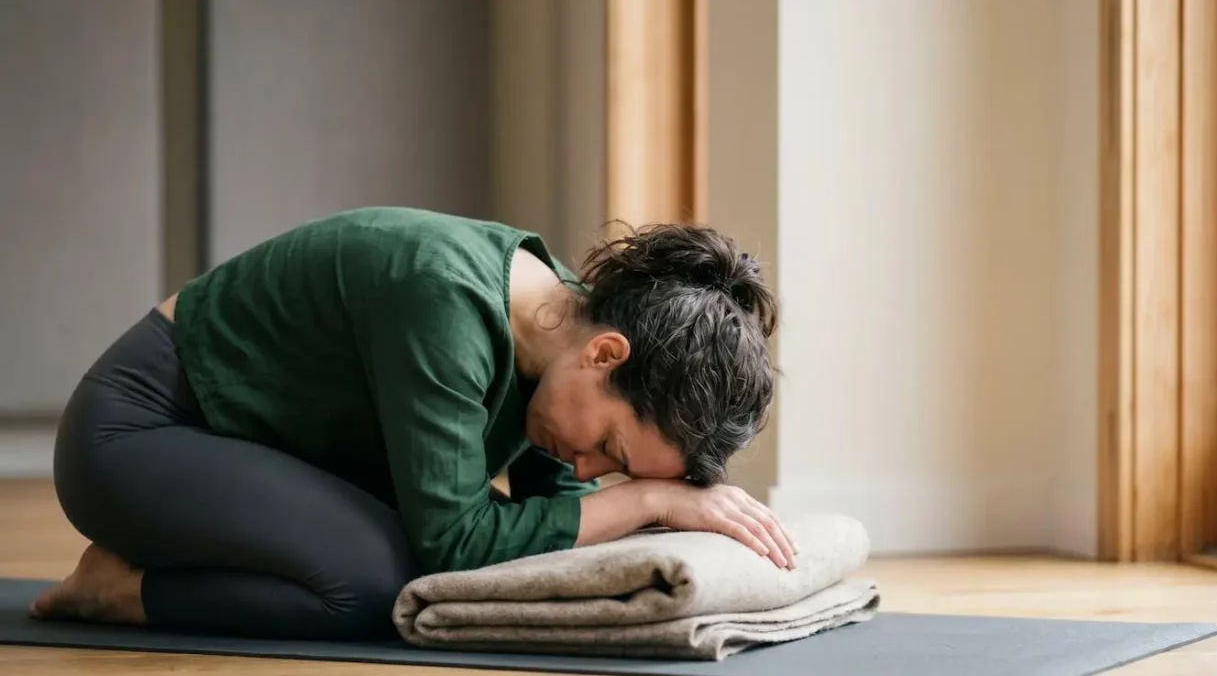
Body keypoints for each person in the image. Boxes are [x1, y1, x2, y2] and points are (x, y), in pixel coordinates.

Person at [28, 207, 791, 640]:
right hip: (137, 434)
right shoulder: (446, 303)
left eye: (617, 471)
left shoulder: (560, 330)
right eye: (609, 447)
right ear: (605, 353)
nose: (590, 470)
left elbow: (546, 517)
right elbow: (454, 544)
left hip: (253, 448)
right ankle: (118, 592)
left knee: (413, 562)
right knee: (375, 586)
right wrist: (649, 501)